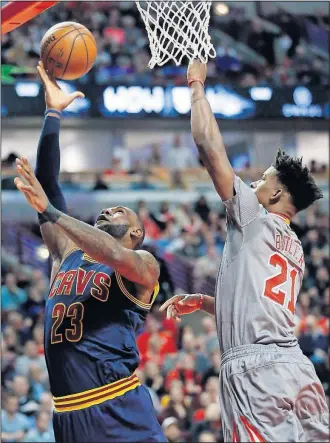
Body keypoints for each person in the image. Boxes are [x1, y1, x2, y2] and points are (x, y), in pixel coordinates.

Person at [160, 60, 329, 442]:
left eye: (261, 179)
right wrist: (208, 301)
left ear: (275, 195)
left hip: (254, 370)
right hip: (296, 368)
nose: (252, 183)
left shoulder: (255, 218)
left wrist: (196, 85)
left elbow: (208, 147)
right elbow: (257, 303)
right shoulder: (297, 248)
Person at [13, 61, 166, 443]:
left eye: (118, 211)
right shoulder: (68, 251)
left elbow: (117, 257)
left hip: (117, 405)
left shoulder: (142, 265)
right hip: (66, 413)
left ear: (136, 231)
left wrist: (50, 211)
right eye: (105, 209)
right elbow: (48, 184)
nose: (106, 211)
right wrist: (52, 113)